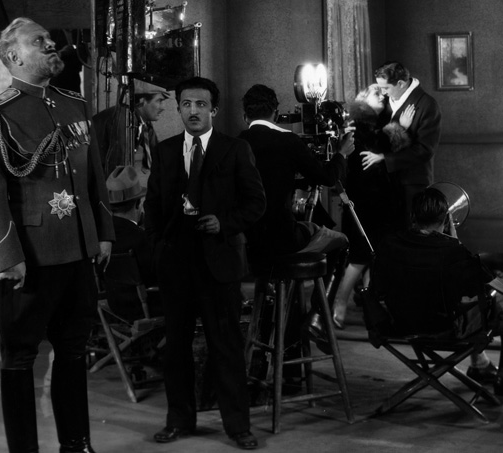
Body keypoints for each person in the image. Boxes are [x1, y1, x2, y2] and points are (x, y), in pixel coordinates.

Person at [0, 17, 114, 453]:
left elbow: (94, 177)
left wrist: (104, 233)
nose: (52, 45)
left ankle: (76, 445)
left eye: (50, 39)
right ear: (14, 56)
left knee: (73, 351)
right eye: (40, 41)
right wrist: (6, 255)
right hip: (29, 259)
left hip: (79, 251)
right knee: (19, 358)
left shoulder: (74, 105)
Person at [144, 76, 265, 450]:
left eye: (200, 104)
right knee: (176, 348)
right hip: (176, 264)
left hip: (219, 263)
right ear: (179, 109)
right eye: (186, 104)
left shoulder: (235, 149)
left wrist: (224, 223)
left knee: (226, 347)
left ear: (214, 109)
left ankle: (238, 427)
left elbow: (256, 203)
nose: (193, 111)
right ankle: (178, 420)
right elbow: (152, 206)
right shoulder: (165, 151)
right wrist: (159, 248)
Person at [239, 84, 353, 352]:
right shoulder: (288, 141)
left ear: (245, 116)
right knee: (341, 241)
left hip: (248, 246)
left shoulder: (234, 143)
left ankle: (279, 341)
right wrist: (341, 154)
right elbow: (327, 177)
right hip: (283, 241)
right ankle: (317, 318)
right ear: (276, 114)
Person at [372, 188, 503, 395]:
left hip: (397, 324)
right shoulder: (452, 251)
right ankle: (502, 378)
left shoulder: (388, 244)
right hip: (444, 329)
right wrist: (455, 242)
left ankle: (480, 364)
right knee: (496, 302)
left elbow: (375, 288)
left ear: (412, 216)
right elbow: (481, 284)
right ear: (447, 219)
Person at [331, 85, 415, 327]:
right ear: (363, 100)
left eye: (382, 93)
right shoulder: (358, 126)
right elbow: (378, 144)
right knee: (360, 257)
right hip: (365, 203)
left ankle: (369, 310)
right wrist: (401, 127)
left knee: (372, 258)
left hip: (380, 203)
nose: (382, 96)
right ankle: (339, 305)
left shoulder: (374, 123)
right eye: (375, 93)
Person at [361, 61, 442, 220]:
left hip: (412, 183)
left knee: (410, 227)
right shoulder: (386, 101)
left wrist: (386, 158)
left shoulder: (427, 105)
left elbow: (425, 150)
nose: (383, 93)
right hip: (385, 183)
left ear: (400, 83)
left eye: (386, 88)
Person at [92, 79, 170, 186]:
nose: (163, 107)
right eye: (159, 101)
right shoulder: (124, 119)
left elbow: (157, 153)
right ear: (142, 101)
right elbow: (117, 168)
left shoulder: (143, 121)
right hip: (95, 180)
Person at [106, 165, 154, 288]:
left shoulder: (102, 238)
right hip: (142, 299)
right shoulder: (142, 239)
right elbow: (151, 278)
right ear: (138, 203)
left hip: (110, 299)